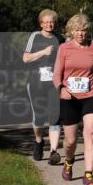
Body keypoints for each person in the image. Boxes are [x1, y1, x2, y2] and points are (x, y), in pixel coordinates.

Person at [52, 13, 93, 185]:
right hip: (69, 98)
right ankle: (69, 162)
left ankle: (88, 175)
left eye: (84, 30)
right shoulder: (64, 48)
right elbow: (56, 74)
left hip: (91, 95)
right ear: (71, 31)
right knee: (70, 141)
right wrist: (61, 88)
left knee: (90, 133)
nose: (81, 34)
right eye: (77, 30)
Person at [22, 9, 63, 164]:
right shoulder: (35, 36)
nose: (49, 24)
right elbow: (25, 58)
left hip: (54, 84)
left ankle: (53, 151)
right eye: (46, 22)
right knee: (38, 117)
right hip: (36, 83)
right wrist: (43, 52)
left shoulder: (60, 38)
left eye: (52, 21)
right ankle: (39, 141)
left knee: (55, 116)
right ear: (41, 23)